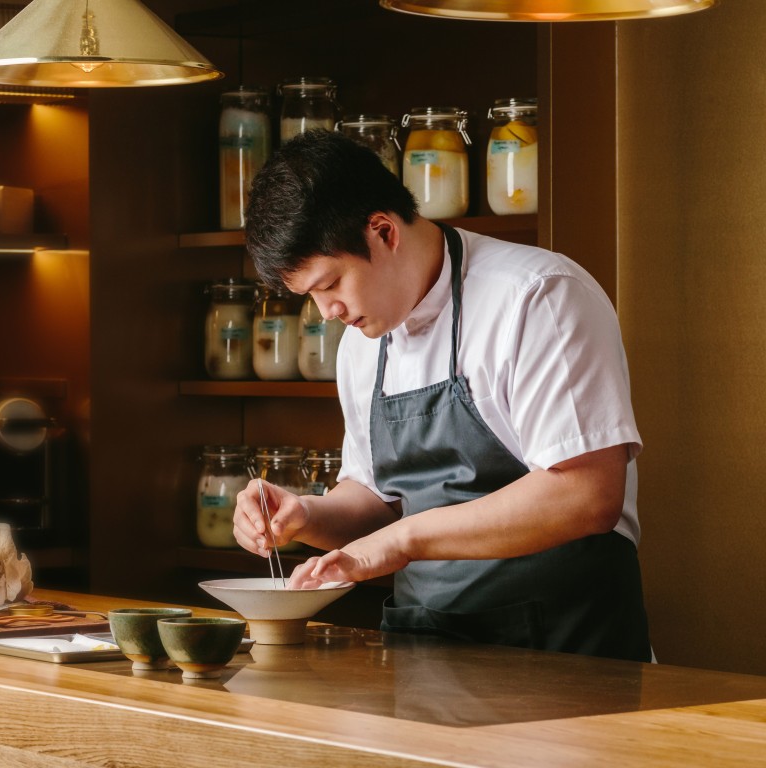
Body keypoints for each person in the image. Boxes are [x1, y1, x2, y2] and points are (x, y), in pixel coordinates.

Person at [234, 130, 651, 662]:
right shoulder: (363, 344)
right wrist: (305, 516)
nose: (327, 313)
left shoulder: (536, 296)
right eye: (311, 296)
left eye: (330, 284)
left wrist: (403, 541)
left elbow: (587, 493)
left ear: (383, 231)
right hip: (426, 657)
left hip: (567, 651)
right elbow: (378, 498)